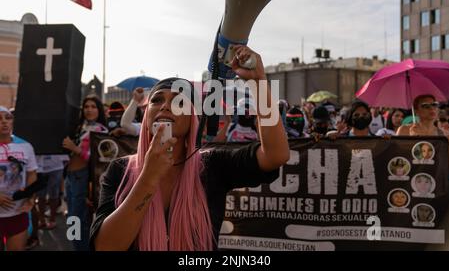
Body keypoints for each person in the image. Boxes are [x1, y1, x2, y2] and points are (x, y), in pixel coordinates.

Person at [90, 45, 290, 251]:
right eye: (157, 100)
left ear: (193, 118)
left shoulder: (212, 165)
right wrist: (148, 177)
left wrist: (258, 83)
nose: (165, 106)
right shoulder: (120, 170)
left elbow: (276, 155)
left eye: (178, 101)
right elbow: (105, 246)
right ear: (146, 113)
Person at [62, 95, 108, 251]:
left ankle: (81, 248)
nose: (89, 109)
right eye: (86, 106)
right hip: (70, 176)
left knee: (77, 218)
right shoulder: (79, 127)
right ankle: (76, 246)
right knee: (72, 218)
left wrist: (74, 148)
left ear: (99, 110)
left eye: (93, 106)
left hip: (83, 177)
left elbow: (97, 159)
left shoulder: (101, 131)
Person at [0, 106, 38, 251]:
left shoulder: (25, 146)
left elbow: (32, 174)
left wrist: (30, 197)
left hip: (17, 213)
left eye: (8, 118)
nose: (4, 122)